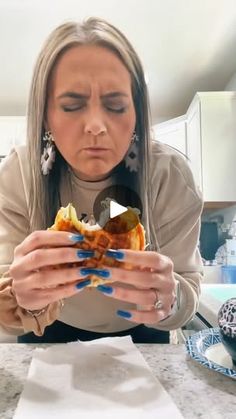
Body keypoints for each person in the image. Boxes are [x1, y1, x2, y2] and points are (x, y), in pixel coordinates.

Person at [0, 17, 203, 343]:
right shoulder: (17, 174)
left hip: (145, 335)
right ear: (46, 117)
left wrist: (172, 298)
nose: (95, 125)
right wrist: (19, 297)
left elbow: (187, 289)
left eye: (116, 105)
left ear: (136, 113)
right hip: (45, 333)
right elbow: (6, 311)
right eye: (71, 105)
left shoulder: (171, 176)